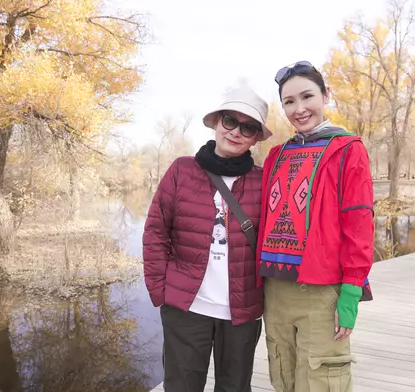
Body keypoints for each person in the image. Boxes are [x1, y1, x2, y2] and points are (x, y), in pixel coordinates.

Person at [143, 86, 273, 392]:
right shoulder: (181, 171)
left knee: (234, 388)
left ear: (256, 137)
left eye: (248, 127)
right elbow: (155, 232)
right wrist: (160, 292)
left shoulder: (263, 180)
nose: (236, 132)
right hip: (187, 309)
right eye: (230, 120)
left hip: (242, 313)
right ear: (216, 122)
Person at [256, 61, 374, 391]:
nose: (299, 109)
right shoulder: (276, 156)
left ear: (325, 96)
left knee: (322, 381)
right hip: (274, 292)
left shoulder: (348, 150)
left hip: (321, 291)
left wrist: (351, 293)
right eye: (289, 102)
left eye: (307, 96)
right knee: (284, 378)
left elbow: (359, 224)